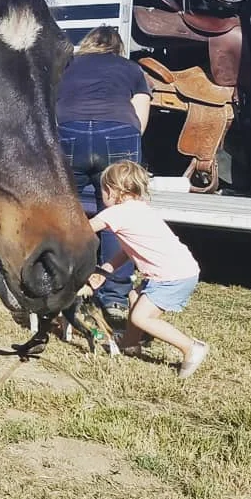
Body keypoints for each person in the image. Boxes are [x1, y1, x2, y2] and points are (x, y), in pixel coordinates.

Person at [57, 26, 152, 313]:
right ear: (117, 48)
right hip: (118, 130)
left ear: (86, 43)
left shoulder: (66, 66)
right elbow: (140, 115)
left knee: (63, 211)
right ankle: (114, 296)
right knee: (120, 215)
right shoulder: (131, 69)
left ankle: (61, 286)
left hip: (68, 131)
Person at [87, 161, 208, 378]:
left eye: (102, 189)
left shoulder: (115, 213)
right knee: (134, 296)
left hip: (171, 277)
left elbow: (82, 230)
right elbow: (128, 251)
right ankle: (130, 344)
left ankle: (191, 347)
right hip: (181, 270)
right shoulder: (140, 209)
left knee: (141, 318)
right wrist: (104, 271)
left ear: (112, 191)